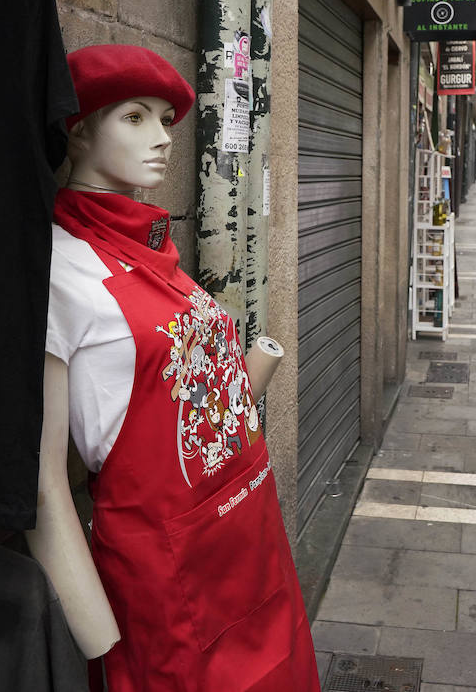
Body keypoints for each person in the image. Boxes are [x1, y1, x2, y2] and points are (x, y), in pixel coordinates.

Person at [32, 44, 320, 690]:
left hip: (248, 545)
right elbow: (44, 482)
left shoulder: (154, 249)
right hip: (168, 573)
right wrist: (99, 636)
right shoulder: (59, 270)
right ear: (78, 133)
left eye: (165, 119)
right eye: (134, 117)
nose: (162, 138)